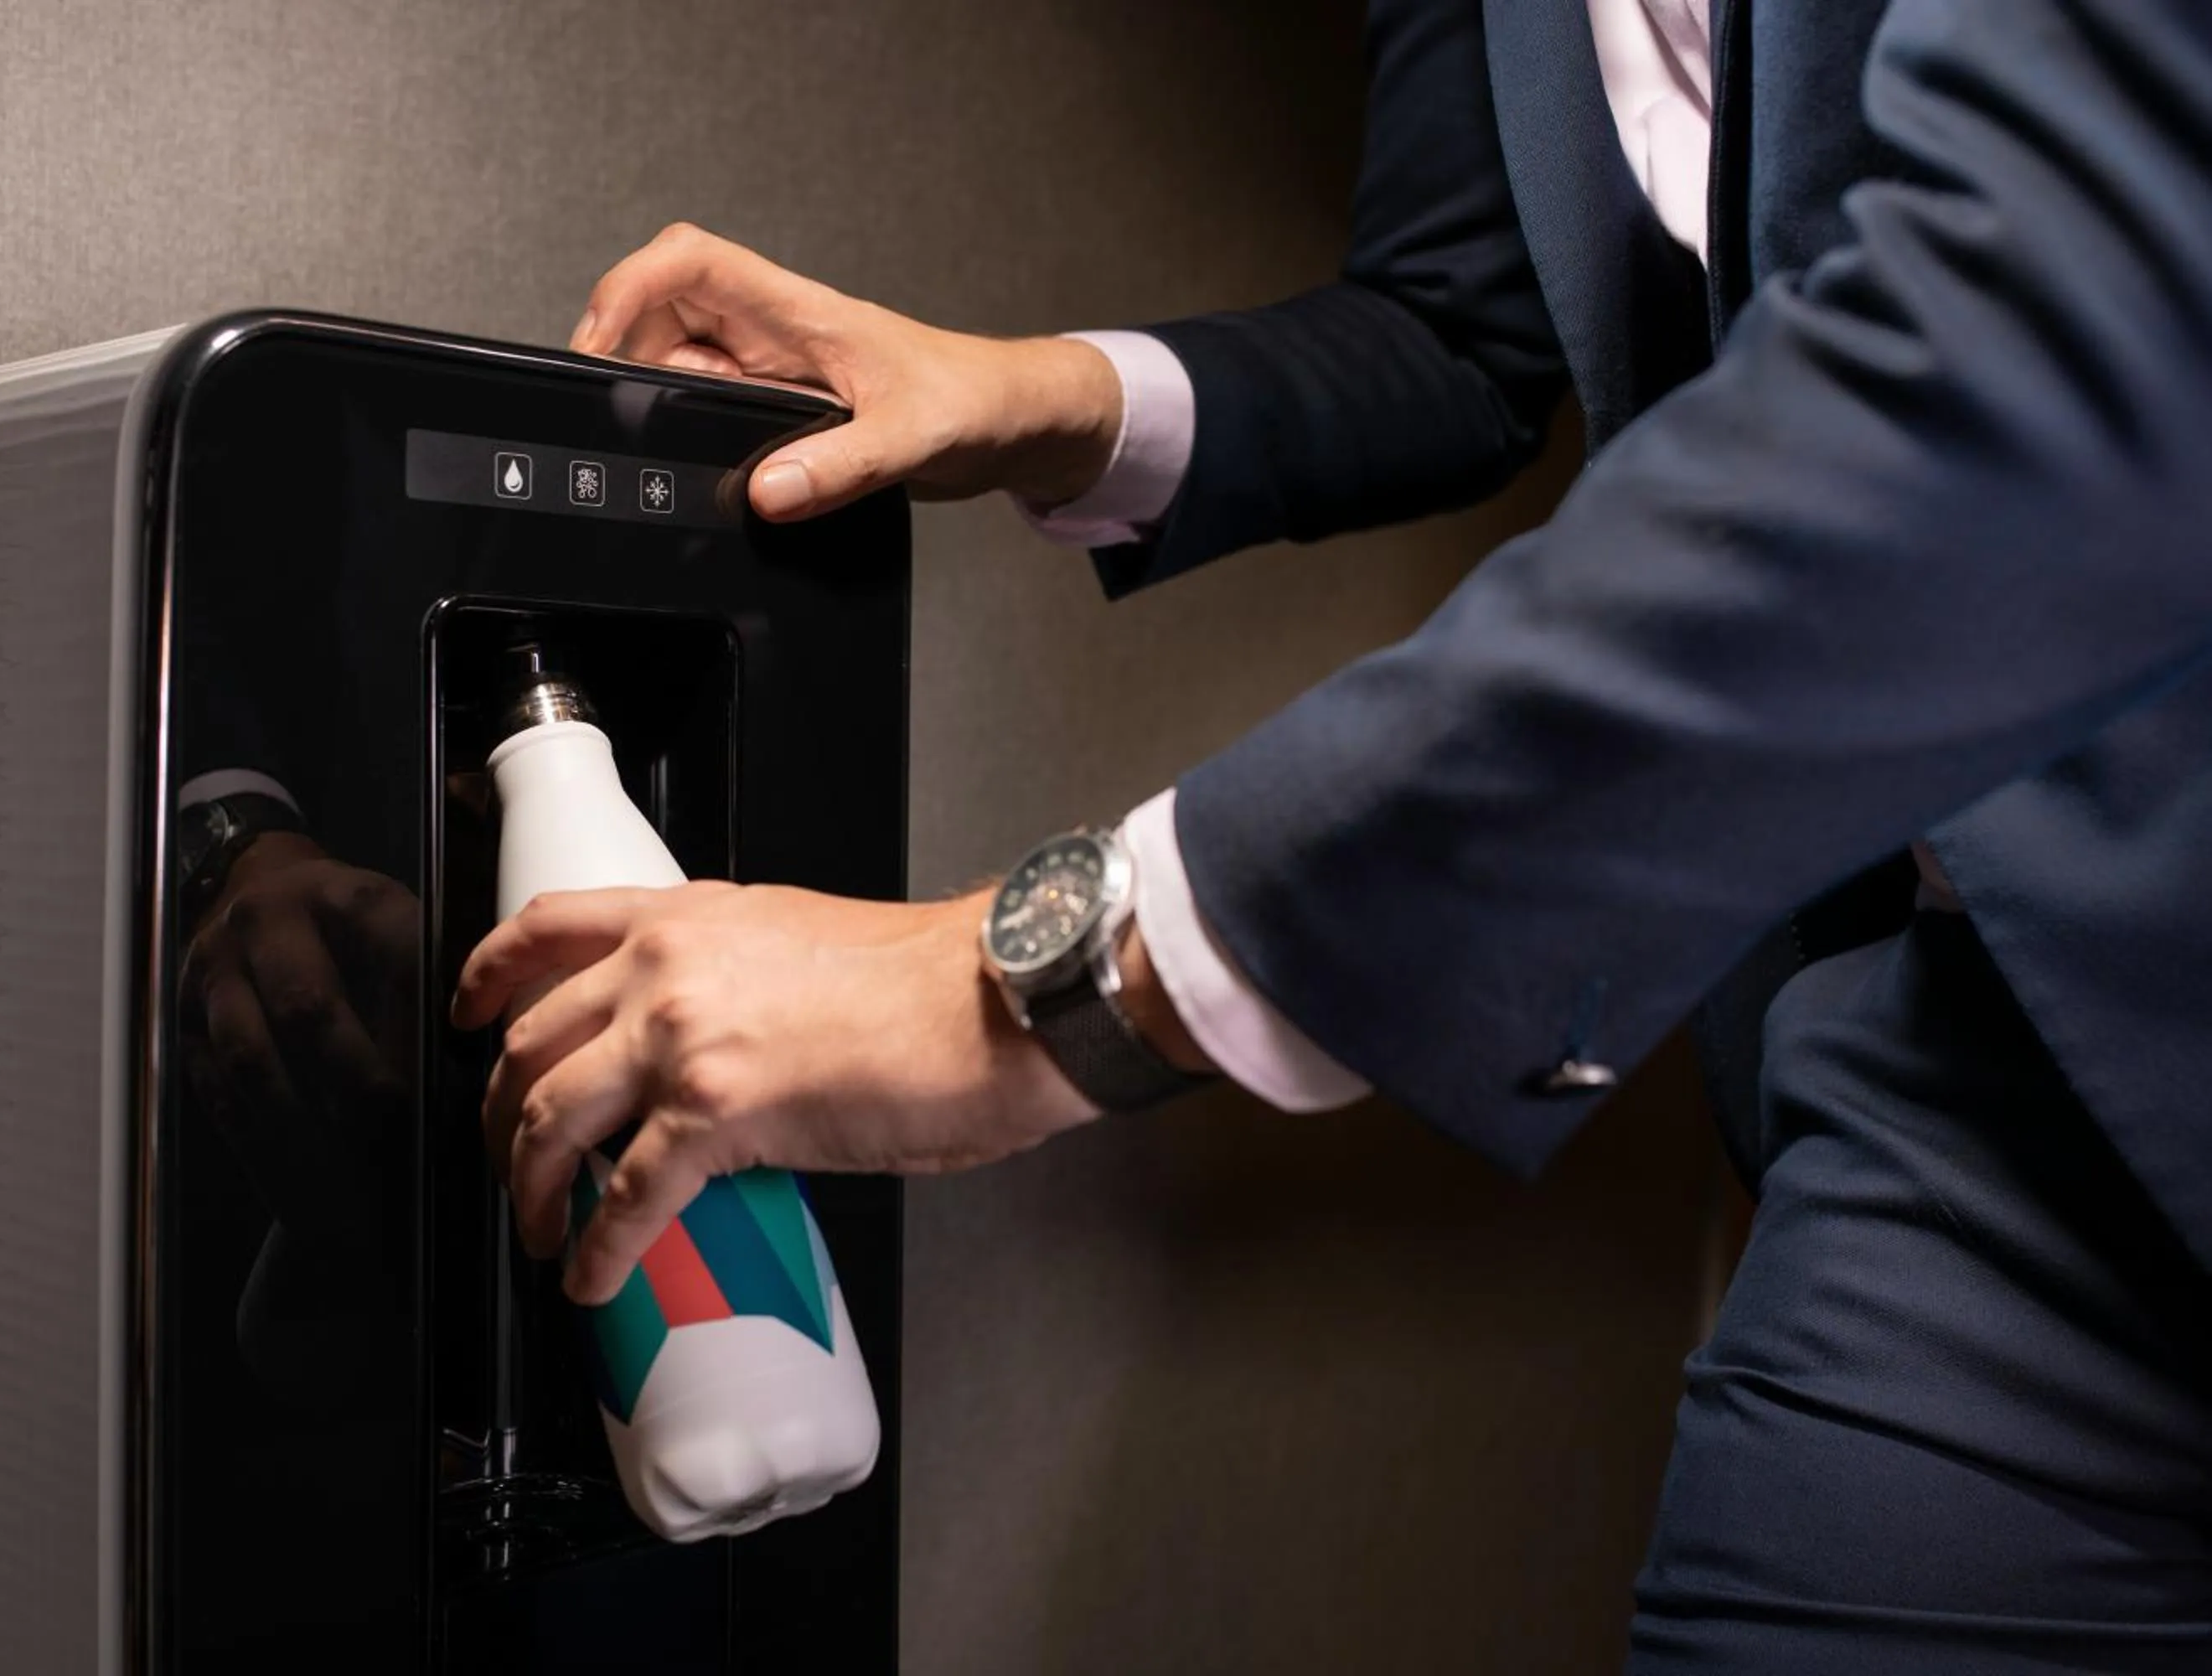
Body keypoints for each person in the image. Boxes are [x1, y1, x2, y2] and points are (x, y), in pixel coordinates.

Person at [450, 2, 2212, 1668]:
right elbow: (1467, 320)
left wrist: (1022, 989)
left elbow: (2050, 342)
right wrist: (1043, 394)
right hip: (1970, 1081)